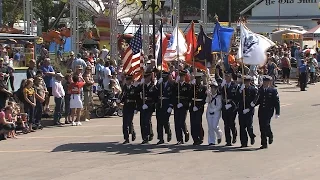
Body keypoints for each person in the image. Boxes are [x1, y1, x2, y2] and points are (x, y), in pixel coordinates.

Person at [255, 75, 280, 149]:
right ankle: (264, 143)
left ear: (270, 82)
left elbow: (276, 102)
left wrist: (277, 112)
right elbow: (257, 100)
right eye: (265, 82)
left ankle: (270, 134)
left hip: (269, 111)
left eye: (267, 82)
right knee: (261, 127)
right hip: (261, 110)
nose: (266, 83)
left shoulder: (273, 90)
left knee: (266, 124)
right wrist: (252, 105)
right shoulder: (260, 90)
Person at [237, 75, 258, 147]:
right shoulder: (241, 89)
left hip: (249, 110)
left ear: (250, 82)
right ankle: (243, 143)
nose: (246, 83)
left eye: (247, 81)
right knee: (242, 127)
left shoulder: (253, 89)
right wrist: (240, 91)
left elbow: (255, 99)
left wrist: (249, 108)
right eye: (245, 81)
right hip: (241, 109)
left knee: (249, 126)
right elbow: (237, 97)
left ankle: (252, 136)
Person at [118, 75, 138, 144]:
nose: (127, 81)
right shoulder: (124, 88)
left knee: (129, 121)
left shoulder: (134, 88)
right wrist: (119, 101)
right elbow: (123, 96)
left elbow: (136, 98)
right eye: (126, 80)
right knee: (124, 123)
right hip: (126, 106)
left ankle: (132, 132)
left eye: (128, 80)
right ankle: (126, 138)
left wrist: (136, 108)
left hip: (131, 106)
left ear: (130, 81)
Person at [220, 72, 238, 146]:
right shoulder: (223, 85)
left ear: (230, 77)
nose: (226, 78)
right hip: (224, 106)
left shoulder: (235, 86)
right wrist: (221, 86)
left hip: (232, 107)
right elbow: (218, 93)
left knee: (231, 123)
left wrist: (231, 104)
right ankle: (228, 141)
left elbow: (237, 97)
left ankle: (234, 134)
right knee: (226, 124)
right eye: (225, 77)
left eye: (228, 76)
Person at [139, 71, 157, 144]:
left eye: (147, 77)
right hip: (143, 105)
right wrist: (140, 84)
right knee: (142, 122)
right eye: (145, 77)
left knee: (146, 120)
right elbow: (137, 92)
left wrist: (149, 105)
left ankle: (148, 135)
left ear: (150, 77)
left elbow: (155, 98)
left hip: (149, 106)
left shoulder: (153, 86)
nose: (146, 79)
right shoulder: (143, 86)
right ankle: (145, 136)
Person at [155, 72, 173, 145]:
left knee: (165, 120)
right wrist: (157, 84)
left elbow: (172, 96)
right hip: (160, 104)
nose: (164, 78)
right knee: (159, 122)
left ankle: (168, 132)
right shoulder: (159, 85)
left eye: (166, 77)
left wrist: (171, 106)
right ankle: (160, 138)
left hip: (166, 104)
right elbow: (155, 92)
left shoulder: (170, 85)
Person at [172, 70, 190, 144]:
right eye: (180, 76)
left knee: (181, 121)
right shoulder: (176, 86)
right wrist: (174, 104)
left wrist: (183, 104)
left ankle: (185, 132)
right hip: (177, 106)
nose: (181, 78)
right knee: (176, 123)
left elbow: (188, 97)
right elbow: (173, 96)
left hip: (183, 106)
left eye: (182, 76)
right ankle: (179, 139)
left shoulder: (187, 86)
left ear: (184, 77)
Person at [189, 72, 207, 145]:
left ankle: (200, 137)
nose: (197, 80)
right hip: (193, 106)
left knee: (198, 122)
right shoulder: (192, 87)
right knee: (192, 123)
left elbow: (204, 99)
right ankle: (195, 138)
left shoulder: (203, 87)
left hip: (199, 107)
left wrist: (198, 106)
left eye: (199, 79)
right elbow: (189, 97)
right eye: (196, 79)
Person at [205, 80, 223, 145]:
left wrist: (214, 110)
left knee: (214, 126)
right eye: (211, 88)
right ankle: (211, 141)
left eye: (214, 88)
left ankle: (219, 134)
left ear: (216, 89)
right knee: (210, 127)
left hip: (216, 112)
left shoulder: (219, 96)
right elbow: (207, 101)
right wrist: (208, 96)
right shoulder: (210, 95)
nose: (212, 89)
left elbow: (219, 106)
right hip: (209, 112)